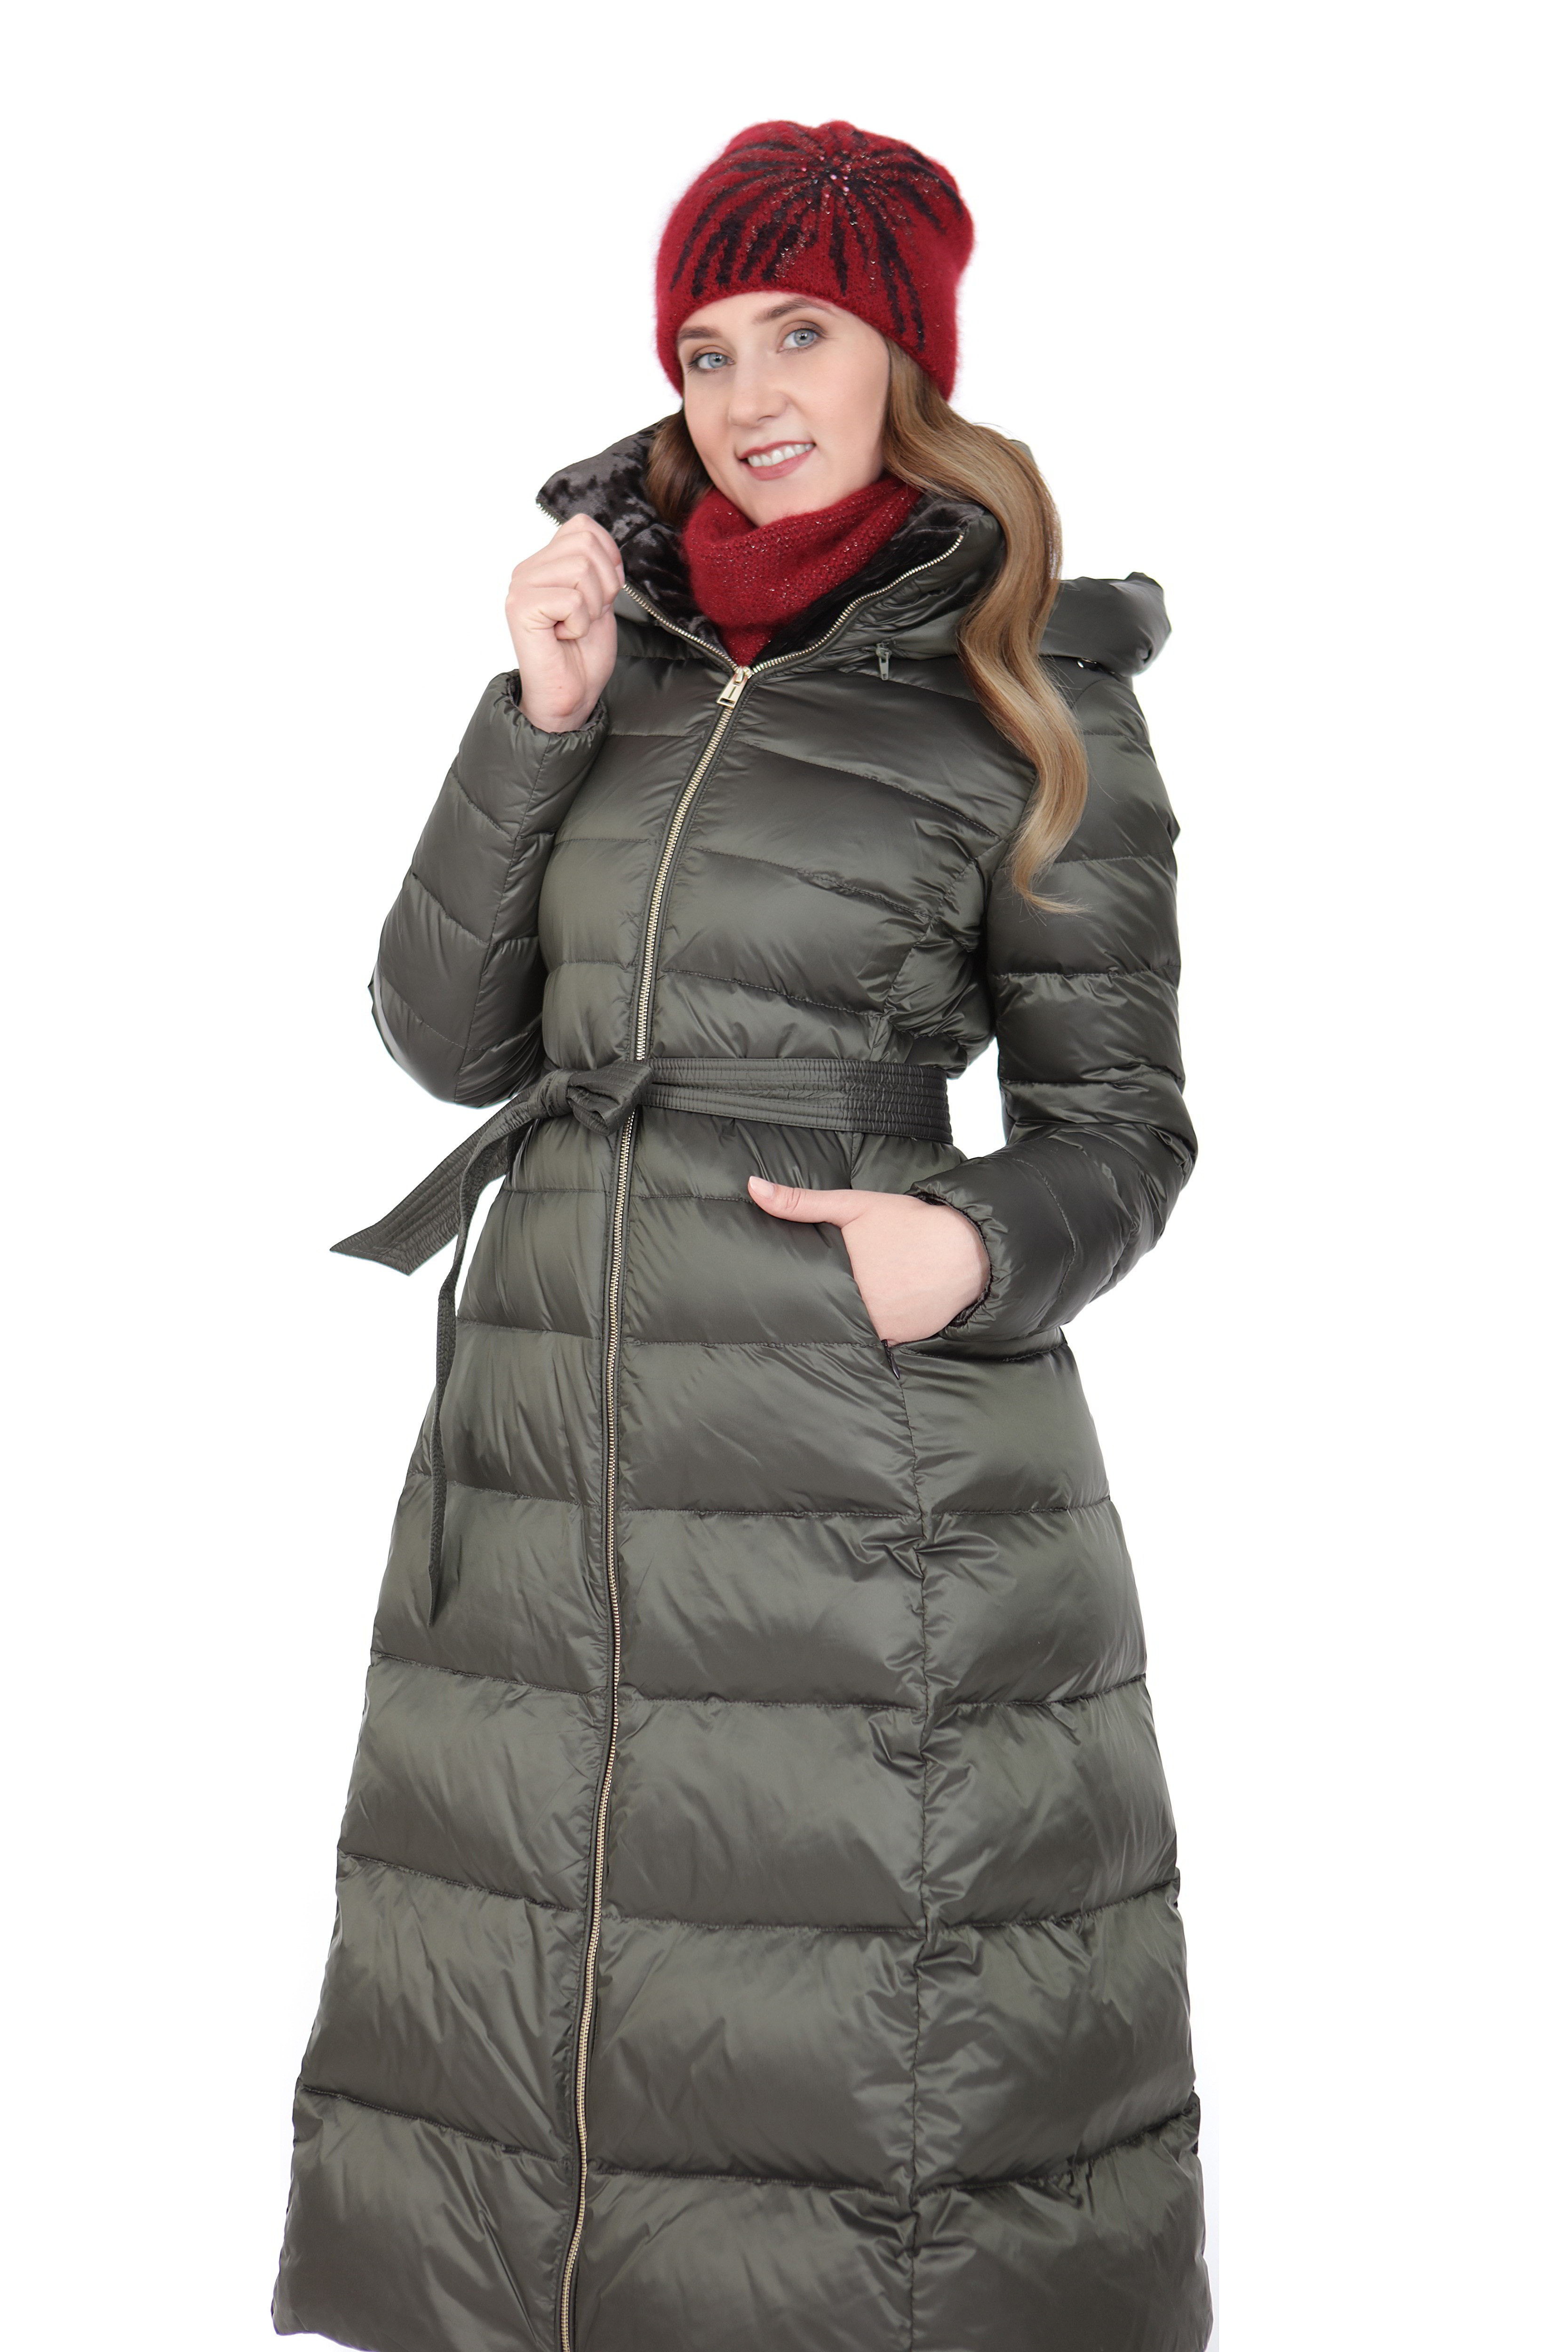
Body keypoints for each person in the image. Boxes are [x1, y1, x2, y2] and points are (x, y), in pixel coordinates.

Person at [272, 117, 1212, 2352]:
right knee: (530, 2002)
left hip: (859, 1459)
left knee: (851, 2074)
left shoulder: (1032, 684)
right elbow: (446, 1034)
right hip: (549, 1441)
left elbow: (1124, 1128)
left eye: (803, 332)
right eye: (706, 348)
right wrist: (540, 721)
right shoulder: (617, 645)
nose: (749, 393)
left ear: (906, 352)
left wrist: (963, 1246)